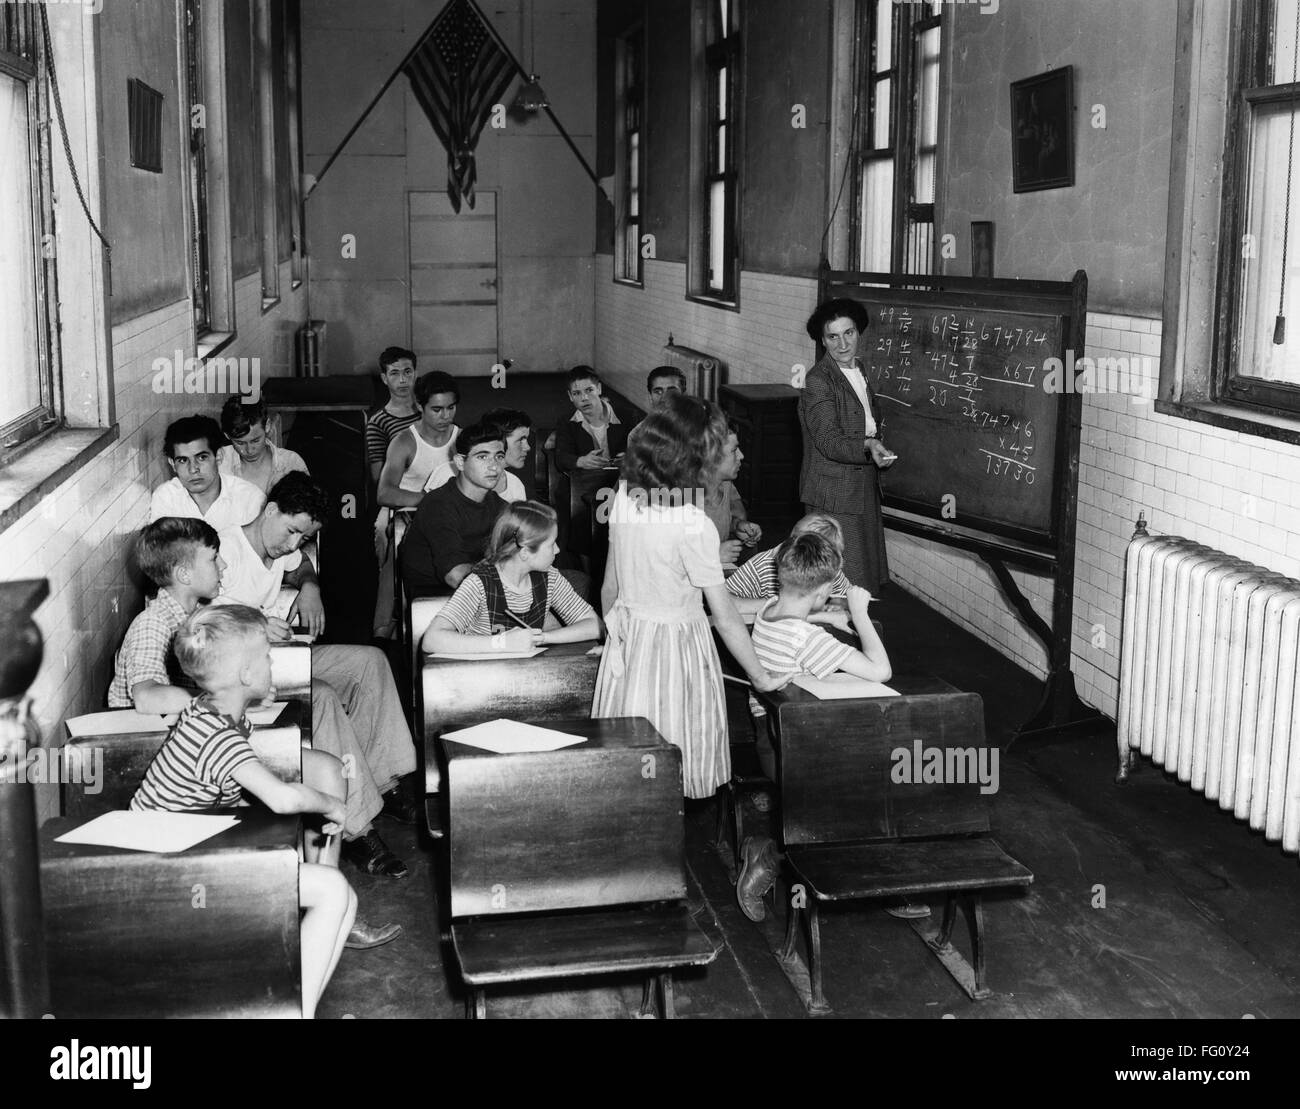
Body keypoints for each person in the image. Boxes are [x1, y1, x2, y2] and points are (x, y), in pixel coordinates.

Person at [129, 605, 397, 1017]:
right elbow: (283, 799)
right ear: (246, 676)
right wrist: (331, 803)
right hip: (169, 878)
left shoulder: (211, 713)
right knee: (333, 890)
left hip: (185, 858)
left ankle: (300, 1010)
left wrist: (251, 699)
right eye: (267, 655)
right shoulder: (218, 735)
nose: (273, 660)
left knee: (341, 897)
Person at [212, 473, 419, 880]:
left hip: (280, 658)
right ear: (270, 510)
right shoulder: (224, 548)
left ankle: (381, 781)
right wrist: (252, 621)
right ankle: (358, 829)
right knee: (321, 695)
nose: (292, 544)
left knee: (370, 662)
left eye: (301, 537)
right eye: (291, 531)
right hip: (241, 672)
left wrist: (310, 586)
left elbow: (300, 564)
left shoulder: (282, 548)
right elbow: (199, 615)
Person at [592, 393, 787, 801]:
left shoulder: (627, 493)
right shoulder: (692, 522)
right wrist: (760, 676)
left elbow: (610, 587)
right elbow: (726, 616)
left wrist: (618, 643)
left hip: (630, 642)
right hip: (676, 649)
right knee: (676, 749)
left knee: (634, 764)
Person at [735, 532, 893, 923]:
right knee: (872, 779)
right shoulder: (807, 639)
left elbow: (794, 617)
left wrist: (822, 615)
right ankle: (766, 855)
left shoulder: (770, 609)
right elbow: (881, 670)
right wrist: (858, 614)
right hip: (792, 748)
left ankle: (868, 868)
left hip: (771, 736)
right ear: (824, 589)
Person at [799, 298, 897, 593]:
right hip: (834, 495)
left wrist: (874, 447)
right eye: (833, 336)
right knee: (842, 585)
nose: (843, 344)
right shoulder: (818, 381)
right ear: (823, 340)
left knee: (860, 581)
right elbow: (829, 441)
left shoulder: (859, 370)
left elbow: (863, 422)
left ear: (859, 333)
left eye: (849, 333)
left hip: (861, 487)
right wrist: (868, 445)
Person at [421, 501, 599, 655]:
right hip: (480, 679)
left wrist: (542, 637)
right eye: (552, 544)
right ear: (525, 552)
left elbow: (594, 625)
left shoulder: (549, 577)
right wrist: (502, 643)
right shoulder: (480, 582)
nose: (558, 550)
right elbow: (432, 639)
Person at [373, 369, 458, 637]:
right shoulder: (404, 442)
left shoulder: (462, 439)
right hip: (405, 514)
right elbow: (384, 493)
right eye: (437, 409)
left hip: (448, 516)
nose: (445, 416)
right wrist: (432, 501)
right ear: (419, 406)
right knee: (391, 552)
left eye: (451, 408)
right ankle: (383, 627)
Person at [400, 423, 507, 597]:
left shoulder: (499, 506)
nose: (494, 466)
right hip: (431, 601)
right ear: (460, 462)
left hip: (477, 594)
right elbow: (455, 575)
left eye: (499, 457)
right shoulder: (438, 504)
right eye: (482, 457)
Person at [150, 416, 265, 533]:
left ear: (219, 456)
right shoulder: (166, 498)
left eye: (201, 457)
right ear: (172, 464)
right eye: (183, 460)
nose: (193, 469)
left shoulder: (250, 500)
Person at [725, 512, 854, 611]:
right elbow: (721, 599)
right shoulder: (763, 566)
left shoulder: (827, 565)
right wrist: (776, 606)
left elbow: (847, 596)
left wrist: (837, 603)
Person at [216, 396, 309, 495]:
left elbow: (309, 507)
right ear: (227, 436)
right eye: (240, 443)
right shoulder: (218, 464)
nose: (249, 450)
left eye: (255, 440)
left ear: (267, 426)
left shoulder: (291, 463)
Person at [701, 427, 761, 570]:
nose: (741, 456)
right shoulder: (681, 492)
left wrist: (737, 526)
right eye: (734, 451)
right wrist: (711, 554)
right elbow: (665, 551)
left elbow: (720, 520)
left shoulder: (726, 483)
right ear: (711, 457)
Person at [553, 366, 629, 472]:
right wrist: (581, 461)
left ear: (599, 388)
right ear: (570, 396)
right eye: (577, 393)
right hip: (586, 483)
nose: (584, 398)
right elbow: (561, 458)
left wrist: (631, 458)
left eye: (589, 390)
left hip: (621, 481)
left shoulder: (627, 416)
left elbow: (643, 451)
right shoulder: (566, 422)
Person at [364, 347, 420, 486]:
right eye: (394, 373)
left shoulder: (430, 409)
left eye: (407, 372)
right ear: (384, 378)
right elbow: (378, 477)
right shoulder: (378, 422)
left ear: (415, 374)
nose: (402, 380)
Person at [480, 408, 533, 502]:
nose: (527, 447)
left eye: (526, 440)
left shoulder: (515, 485)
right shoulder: (449, 475)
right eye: (521, 440)